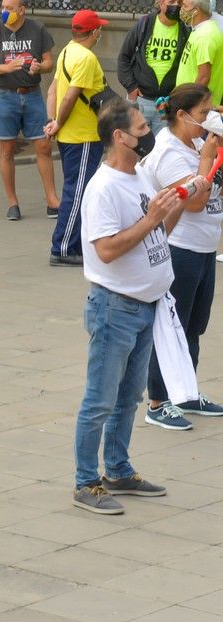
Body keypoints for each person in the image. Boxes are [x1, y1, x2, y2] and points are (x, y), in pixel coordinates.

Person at [72, 100, 196, 514]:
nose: (149, 133)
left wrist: (173, 206)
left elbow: (156, 233)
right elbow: (106, 250)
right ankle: (86, 482)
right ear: (120, 137)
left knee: (129, 398)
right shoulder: (103, 188)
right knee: (100, 400)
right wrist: (150, 220)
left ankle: (119, 469)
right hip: (115, 309)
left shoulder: (140, 175)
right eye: (142, 128)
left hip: (147, 305)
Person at [144, 84, 223, 429]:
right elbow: (192, 202)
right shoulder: (169, 152)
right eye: (203, 113)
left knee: (193, 326)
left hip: (204, 249)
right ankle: (158, 402)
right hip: (181, 249)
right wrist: (207, 159)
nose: (208, 120)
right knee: (171, 328)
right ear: (181, 114)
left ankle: (186, 393)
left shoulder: (194, 137)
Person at [0, 0, 59, 221]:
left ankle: (52, 200)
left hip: (32, 94)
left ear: (22, 9)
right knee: (6, 149)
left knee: (43, 145)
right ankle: (12, 202)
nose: (5, 13)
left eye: (10, 9)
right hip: (5, 95)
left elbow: (49, 62)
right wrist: (6, 67)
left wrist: (40, 67)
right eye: (3, 8)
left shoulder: (37, 29)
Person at [45, 10, 108, 268]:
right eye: (99, 29)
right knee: (78, 191)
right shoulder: (86, 58)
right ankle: (62, 248)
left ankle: (74, 245)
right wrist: (58, 122)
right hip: (83, 136)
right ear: (94, 32)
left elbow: (52, 90)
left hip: (71, 135)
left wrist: (52, 121)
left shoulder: (67, 52)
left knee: (77, 188)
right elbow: (69, 96)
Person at [118, 0, 189, 133]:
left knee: (161, 149)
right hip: (142, 101)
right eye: (172, 1)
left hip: (167, 104)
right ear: (161, 3)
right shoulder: (144, 24)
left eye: (180, 2)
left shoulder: (185, 30)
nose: (176, 6)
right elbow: (124, 57)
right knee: (137, 147)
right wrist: (131, 86)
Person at [177, 0, 223, 104]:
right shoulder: (200, 29)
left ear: (196, 10)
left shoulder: (205, 36)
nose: (181, 9)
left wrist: (187, 103)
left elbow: (204, 77)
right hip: (193, 104)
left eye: (185, 6)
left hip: (198, 108)